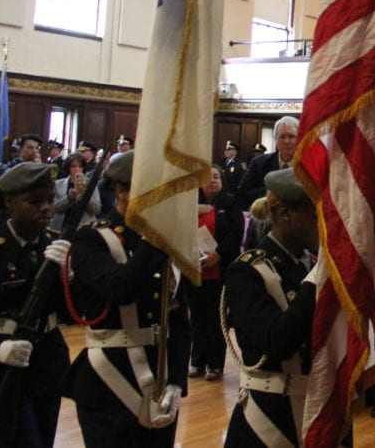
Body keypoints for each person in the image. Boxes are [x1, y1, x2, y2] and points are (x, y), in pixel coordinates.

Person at [63, 150, 191, 446]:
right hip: (109, 382)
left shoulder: (164, 242)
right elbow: (120, 288)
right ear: (121, 191)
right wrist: (153, 239)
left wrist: (176, 382)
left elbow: (179, 319)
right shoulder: (91, 239)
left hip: (158, 380)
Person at [0, 163, 71, 447]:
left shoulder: (53, 247)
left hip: (45, 365)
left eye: (50, 201)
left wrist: (69, 276)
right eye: (34, 202)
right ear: (9, 202)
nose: (46, 209)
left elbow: (72, 311)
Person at [223, 169, 319, 447]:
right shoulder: (247, 271)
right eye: (314, 214)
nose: (322, 223)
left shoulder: (312, 265)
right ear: (286, 213)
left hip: (317, 409)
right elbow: (277, 341)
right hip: (270, 415)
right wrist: (317, 280)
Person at [188, 165, 243, 382]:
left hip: (219, 269)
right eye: (208, 178)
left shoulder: (229, 204)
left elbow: (236, 233)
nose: (213, 181)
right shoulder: (189, 205)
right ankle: (197, 361)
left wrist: (218, 253)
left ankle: (215, 364)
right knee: (197, 318)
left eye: (217, 177)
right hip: (194, 269)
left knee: (215, 318)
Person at [236, 117, 298, 211]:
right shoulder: (259, 163)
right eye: (282, 137)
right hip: (265, 219)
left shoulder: (309, 165)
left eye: (291, 136)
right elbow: (241, 194)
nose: (286, 141)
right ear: (276, 139)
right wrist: (273, 192)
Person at [50, 153, 102, 233]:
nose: (77, 169)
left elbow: (96, 209)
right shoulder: (58, 184)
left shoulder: (91, 184)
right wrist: (69, 198)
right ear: (68, 168)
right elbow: (53, 207)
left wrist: (84, 194)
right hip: (60, 228)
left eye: (80, 167)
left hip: (83, 229)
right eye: (73, 166)